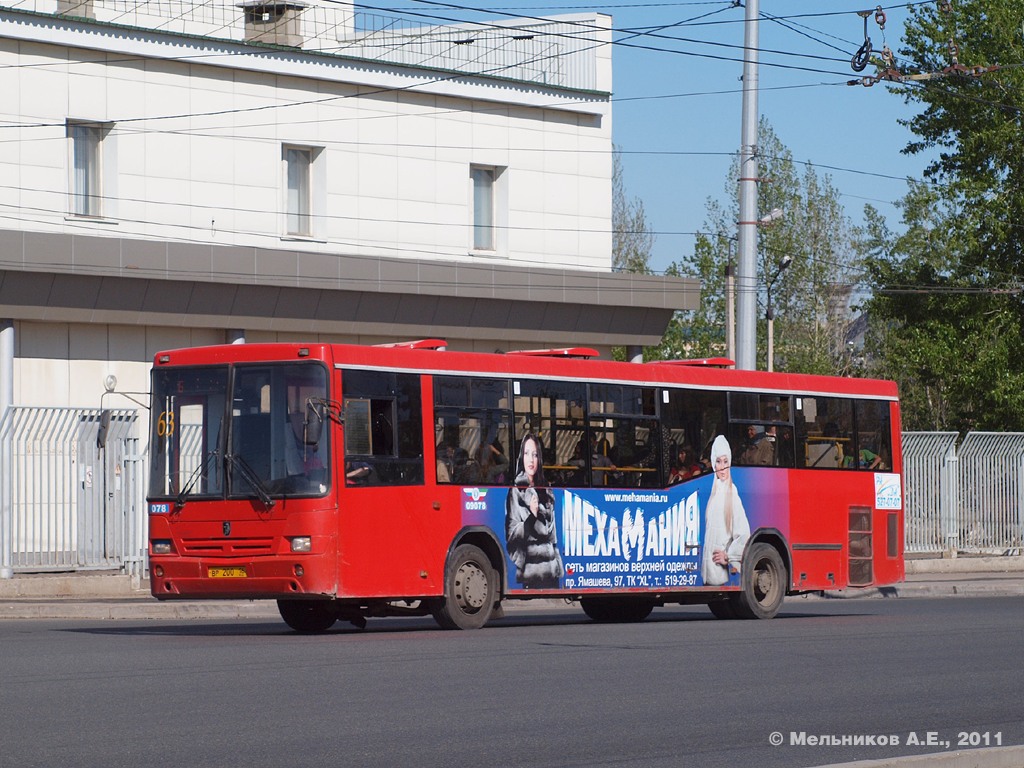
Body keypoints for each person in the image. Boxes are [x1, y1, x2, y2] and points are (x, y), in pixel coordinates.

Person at [505, 433, 563, 588]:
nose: (531, 459)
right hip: (531, 572)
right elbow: (512, 537)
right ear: (521, 457)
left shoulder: (546, 489)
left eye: (535, 455)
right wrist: (532, 516)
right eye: (526, 454)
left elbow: (553, 537)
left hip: (551, 570)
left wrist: (557, 566)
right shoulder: (516, 491)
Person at [701, 434, 750, 587]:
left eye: (725, 461)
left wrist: (728, 557)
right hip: (708, 574)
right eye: (718, 461)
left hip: (719, 575)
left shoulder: (732, 493)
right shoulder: (713, 491)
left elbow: (744, 533)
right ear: (714, 464)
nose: (722, 467)